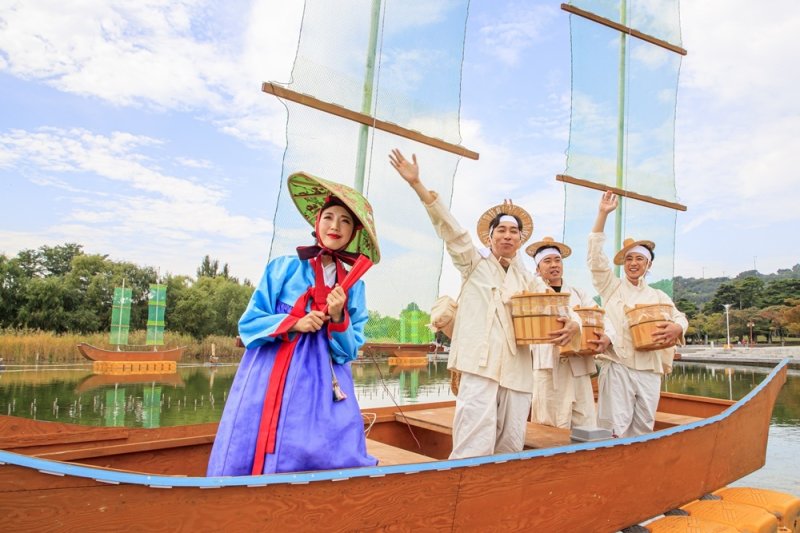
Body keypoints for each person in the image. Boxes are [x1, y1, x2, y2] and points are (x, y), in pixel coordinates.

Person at [389, 149, 579, 459]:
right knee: (472, 442)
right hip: (480, 366)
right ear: (489, 238)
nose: (507, 236)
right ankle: (461, 496)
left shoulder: (528, 280)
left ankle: (499, 499)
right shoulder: (473, 263)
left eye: (513, 232)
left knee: (511, 442)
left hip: (518, 370)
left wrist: (574, 323)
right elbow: (452, 231)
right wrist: (418, 185)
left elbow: (553, 304)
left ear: (520, 240)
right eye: (500, 231)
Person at [207, 172, 380, 476]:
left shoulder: (355, 285)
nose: (335, 226)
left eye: (345, 221)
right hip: (272, 370)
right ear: (317, 223)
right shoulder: (283, 268)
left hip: (326, 378)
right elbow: (250, 323)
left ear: (353, 232)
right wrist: (295, 322)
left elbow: (349, 350)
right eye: (328, 217)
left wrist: (339, 316)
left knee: (325, 442)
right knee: (260, 433)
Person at [589, 191, 687, 438]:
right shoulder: (611, 286)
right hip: (618, 366)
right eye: (629, 259)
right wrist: (602, 214)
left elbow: (679, 318)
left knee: (644, 427)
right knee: (614, 429)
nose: (634, 263)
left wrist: (678, 329)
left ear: (649, 265)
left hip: (649, 369)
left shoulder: (658, 296)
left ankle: (636, 474)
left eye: (640, 259)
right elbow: (595, 260)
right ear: (623, 264)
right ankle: (611, 474)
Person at [526, 236, 616, 429]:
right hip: (547, 368)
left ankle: (586, 458)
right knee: (549, 426)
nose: (554, 265)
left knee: (585, 422)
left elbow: (599, 316)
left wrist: (608, 336)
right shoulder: (531, 292)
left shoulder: (578, 293)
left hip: (578, 367)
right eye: (547, 261)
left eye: (557, 260)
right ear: (537, 268)